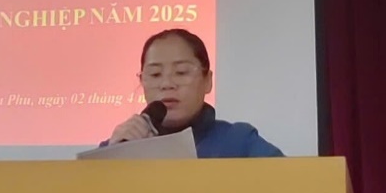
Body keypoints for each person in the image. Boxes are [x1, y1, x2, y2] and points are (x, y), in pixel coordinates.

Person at [106, 29, 283, 158]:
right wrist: (112, 154)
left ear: (207, 81)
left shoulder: (239, 142)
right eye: (155, 74)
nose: (167, 84)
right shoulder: (120, 143)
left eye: (181, 72)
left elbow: (289, 185)